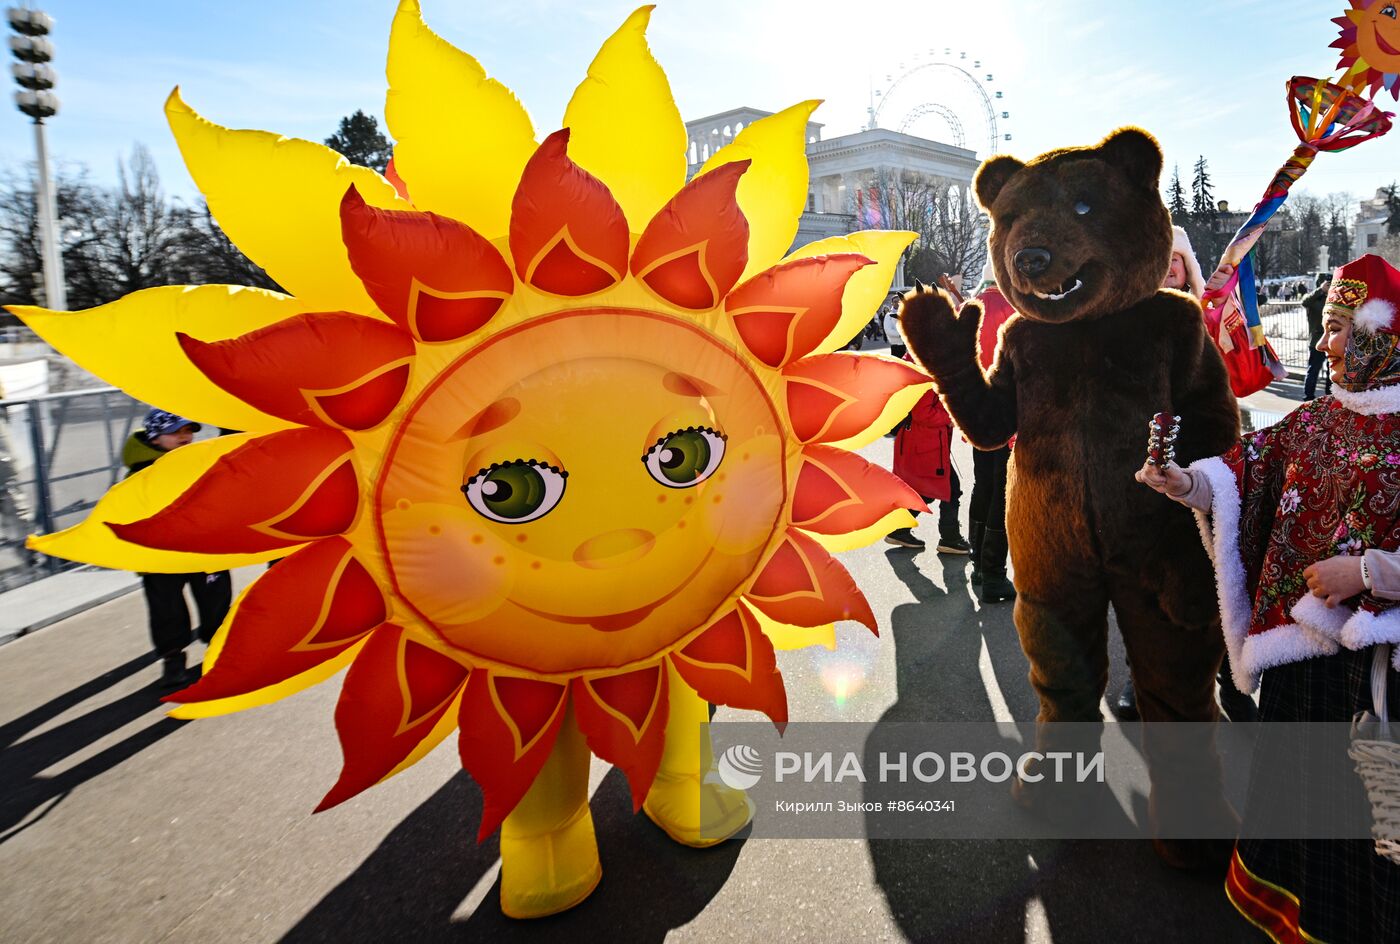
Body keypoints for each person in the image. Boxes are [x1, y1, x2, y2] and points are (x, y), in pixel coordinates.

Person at [1138, 253, 1400, 943]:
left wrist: (1368, 573)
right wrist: (1181, 483)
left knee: (1376, 833)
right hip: (1303, 674)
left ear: (1383, 336)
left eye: (1340, 328)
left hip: (1377, 686)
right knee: (1309, 818)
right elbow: (1244, 474)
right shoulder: (1316, 421)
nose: (1322, 344)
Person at [1118, 226, 1257, 722]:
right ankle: (1143, 683)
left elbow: (1245, 373)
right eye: (1158, 264)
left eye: (1173, 263)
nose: (1166, 273)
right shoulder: (1128, 324)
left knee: (1218, 579)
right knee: (1145, 592)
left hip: (1208, 467)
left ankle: (1233, 682)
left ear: (1185, 267)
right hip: (1150, 473)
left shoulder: (1211, 314)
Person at [124, 409, 233, 689]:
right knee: (167, 610)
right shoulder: (137, 474)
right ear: (155, 437)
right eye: (176, 431)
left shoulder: (200, 461)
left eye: (188, 430)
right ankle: (173, 661)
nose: (184, 436)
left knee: (216, 603)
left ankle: (219, 652)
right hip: (160, 556)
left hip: (204, 549)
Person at [963, 263, 1017, 603]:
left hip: (976, 415)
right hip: (1008, 417)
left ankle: (979, 561)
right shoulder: (1015, 310)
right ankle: (994, 572)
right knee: (1002, 492)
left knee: (983, 484)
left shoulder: (969, 306)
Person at [885, 356, 972, 555]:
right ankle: (950, 538)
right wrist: (950, 416)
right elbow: (923, 413)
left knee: (926, 490)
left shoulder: (922, 361)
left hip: (924, 444)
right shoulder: (926, 369)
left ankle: (899, 529)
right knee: (949, 490)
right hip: (926, 445)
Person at [1303, 272, 1333, 400]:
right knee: (1313, 370)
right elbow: (1305, 301)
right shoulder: (1314, 298)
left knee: (1331, 370)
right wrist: (1320, 290)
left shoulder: (1333, 298)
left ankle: (1330, 395)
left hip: (1332, 339)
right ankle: (1308, 396)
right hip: (1317, 340)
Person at [882, 293, 906, 359]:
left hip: (907, 345)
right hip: (896, 346)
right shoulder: (889, 315)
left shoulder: (906, 314)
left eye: (899, 301)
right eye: (895, 301)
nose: (897, 303)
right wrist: (901, 334)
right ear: (892, 303)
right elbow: (888, 330)